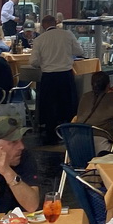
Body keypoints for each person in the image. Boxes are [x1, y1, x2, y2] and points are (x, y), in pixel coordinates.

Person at [30, 14, 83, 144]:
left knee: (50, 107)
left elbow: (33, 62)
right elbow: (79, 51)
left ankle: (51, 137)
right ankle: (70, 134)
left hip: (49, 76)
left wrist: (43, 62)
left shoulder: (39, 40)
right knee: (68, 106)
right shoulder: (68, 35)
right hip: (65, 75)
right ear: (55, 22)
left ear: (43, 26)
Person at [75, 71, 113, 153]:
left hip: (75, 143)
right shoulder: (112, 99)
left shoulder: (85, 97)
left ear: (92, 84)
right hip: (100, 146)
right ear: (108, 85)